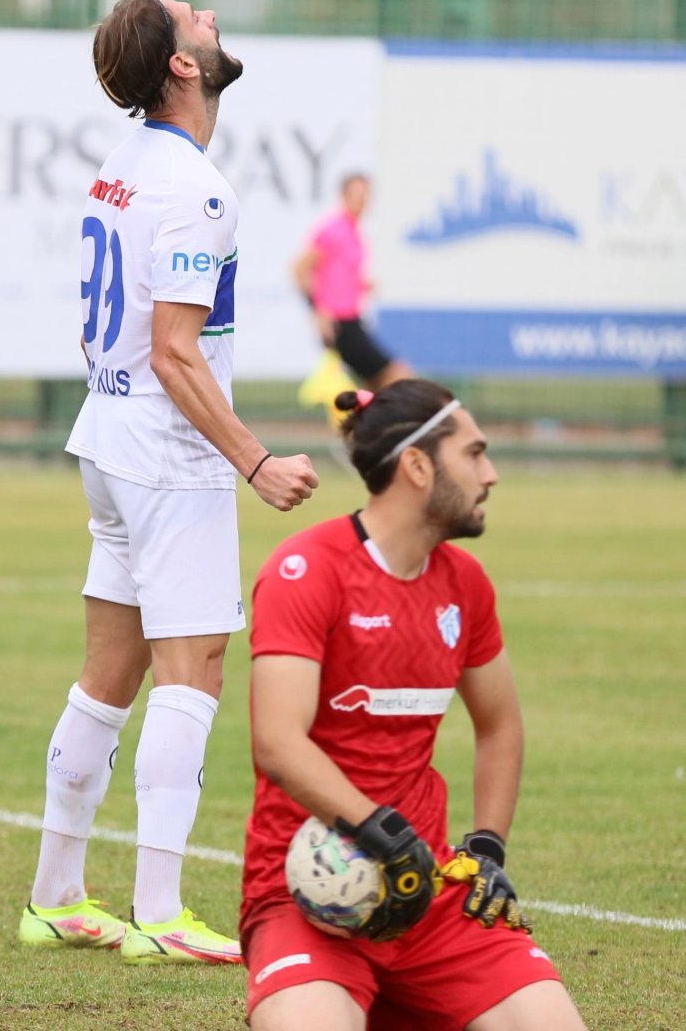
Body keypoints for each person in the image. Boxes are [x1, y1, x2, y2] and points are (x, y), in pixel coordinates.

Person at [19, 0, 319, 966]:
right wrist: (256, 460)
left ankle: (56, 896)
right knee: (195, 671)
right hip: (167, 460)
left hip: (107, 442)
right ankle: (160, 913)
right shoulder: (197, 188)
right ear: (182, 66)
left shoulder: (123, 165)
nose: (210, 11)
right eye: (192, 16)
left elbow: (102, 329)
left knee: (111, 673)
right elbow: (177, 351)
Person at [241, 379, 587, 1031]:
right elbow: (278, 742)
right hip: (309, 898)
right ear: (418, 466)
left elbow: (499, 724)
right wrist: (384, 835)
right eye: (475, 454)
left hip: (429, 892)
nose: (492, 474)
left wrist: (486, 849)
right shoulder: (306, 569)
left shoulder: (466, 583)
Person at [294, 175, 413, 391]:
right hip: (339, 324)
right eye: (357, 195)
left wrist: (362, 285)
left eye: (366, 196)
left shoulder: (354, 231)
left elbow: (339, 273)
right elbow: (299, 269)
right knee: (399, 376)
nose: (362, 201)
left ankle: (372, 424)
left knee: (375, 385)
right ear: (344, 196)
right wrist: (317, 310)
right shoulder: (333, 230)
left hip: (353, 319)